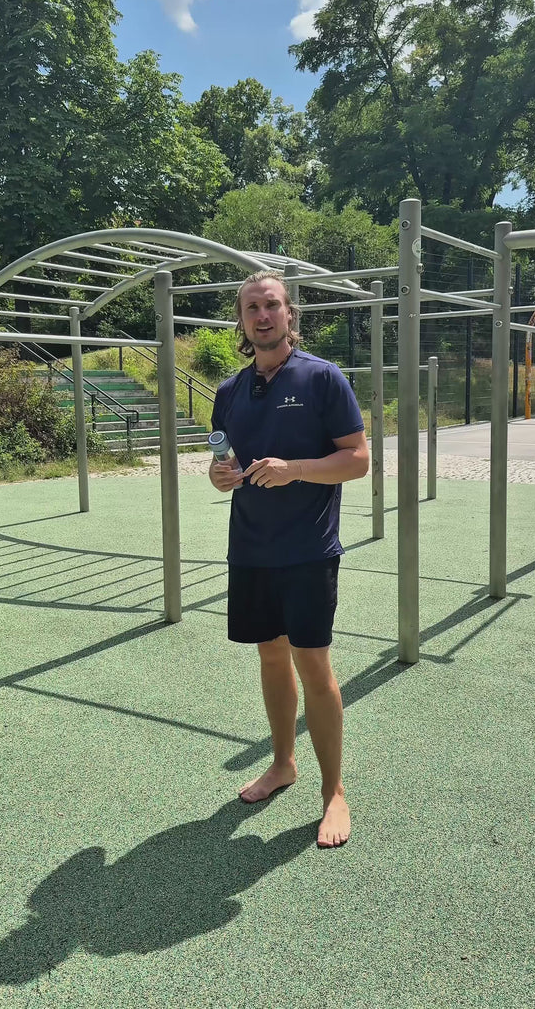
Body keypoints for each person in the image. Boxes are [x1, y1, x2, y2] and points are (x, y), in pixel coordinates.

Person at [209, 269, 369, 849]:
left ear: (289, 314)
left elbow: (358, 459)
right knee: (271, 658)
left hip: (308, 550)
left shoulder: (323, 378)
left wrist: (294, 469)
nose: (262, 315)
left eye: (272, 304)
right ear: (241, 319)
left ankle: (334, 792)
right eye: (251, 307)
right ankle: (282, 764)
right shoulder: (229, 392)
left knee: (314, 666)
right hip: (251, 549)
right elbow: (222, 462)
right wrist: (220, 475)